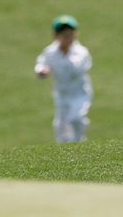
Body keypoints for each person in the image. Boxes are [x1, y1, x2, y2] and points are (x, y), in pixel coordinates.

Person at [35, 15, 93, 144]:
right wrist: (42, 71)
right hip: (61, 93)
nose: (67, 38)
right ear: (56, 36)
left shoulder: (81, 52)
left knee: (76, 118)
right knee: (61, 124)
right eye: (64, 35)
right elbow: (41, 63)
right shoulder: (50, 52)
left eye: (70, 34)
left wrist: (65, 55)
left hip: (79, 93)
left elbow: (77, 69)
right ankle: (63, 149)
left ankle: (79, 142)